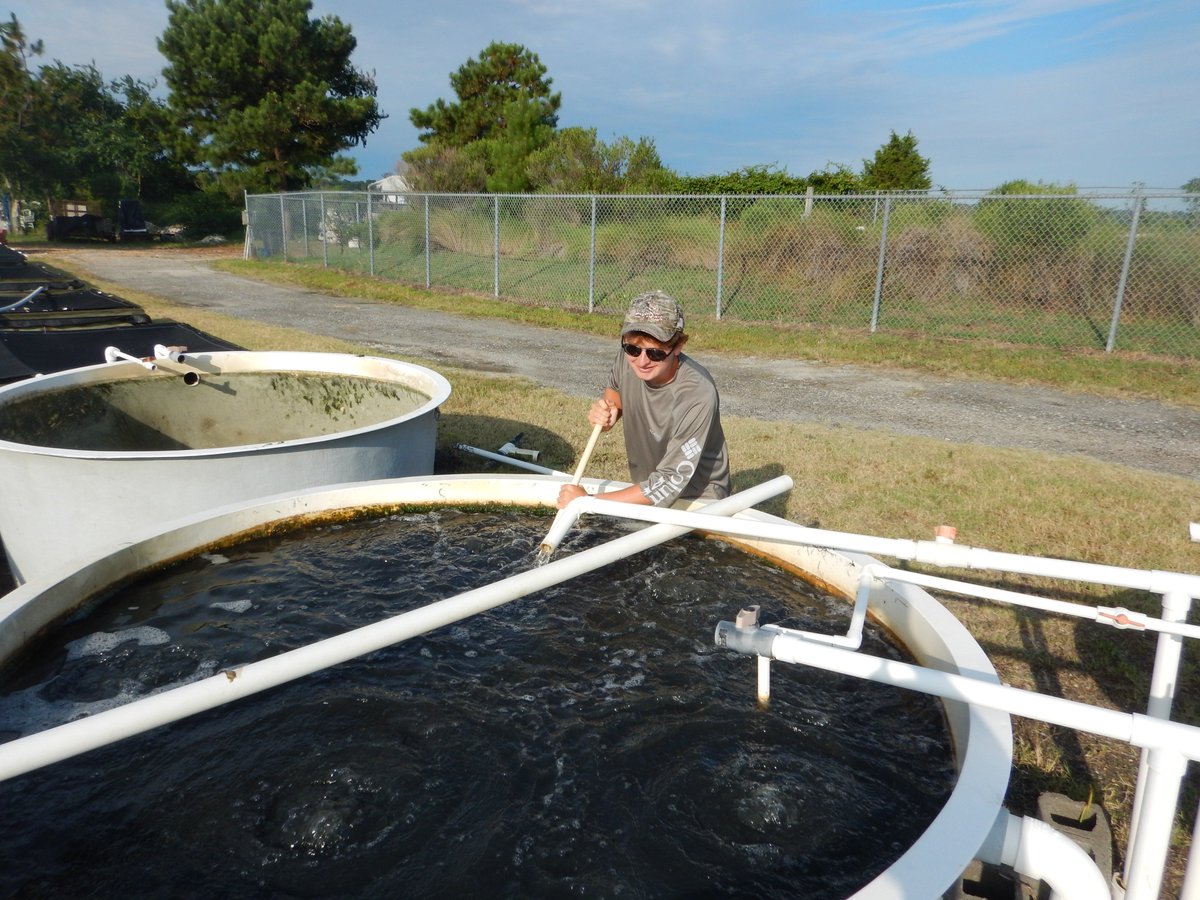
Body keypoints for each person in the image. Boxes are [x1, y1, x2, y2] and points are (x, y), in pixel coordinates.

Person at [557, 289, 731, 509]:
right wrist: (609, 414)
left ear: (678, 346)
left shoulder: (697, 394)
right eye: (632, 349)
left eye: (655, 353)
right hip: (648, 490)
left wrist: (586, 502)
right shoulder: (627, 358)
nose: (642, 361)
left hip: (697, 500)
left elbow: (668, 481)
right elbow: (615, 397)